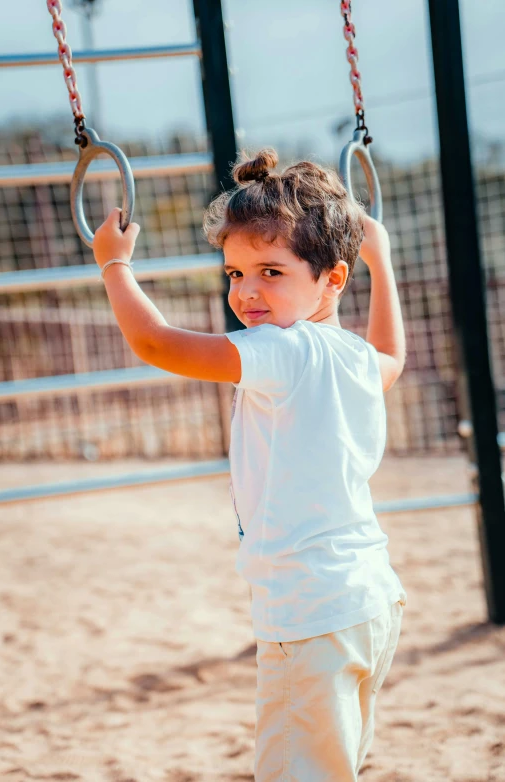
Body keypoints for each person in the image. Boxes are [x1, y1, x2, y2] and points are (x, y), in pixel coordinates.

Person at [93, 148, 407, 781]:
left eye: (270, 271)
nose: (248, 292)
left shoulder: (281, 352)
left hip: (308, 615)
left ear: (331, 279)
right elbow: (392, 356)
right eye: (235, 273)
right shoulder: (349, 355)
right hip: (369, 603)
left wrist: (115, 266)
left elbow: (155, 343)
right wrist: (384, 262)